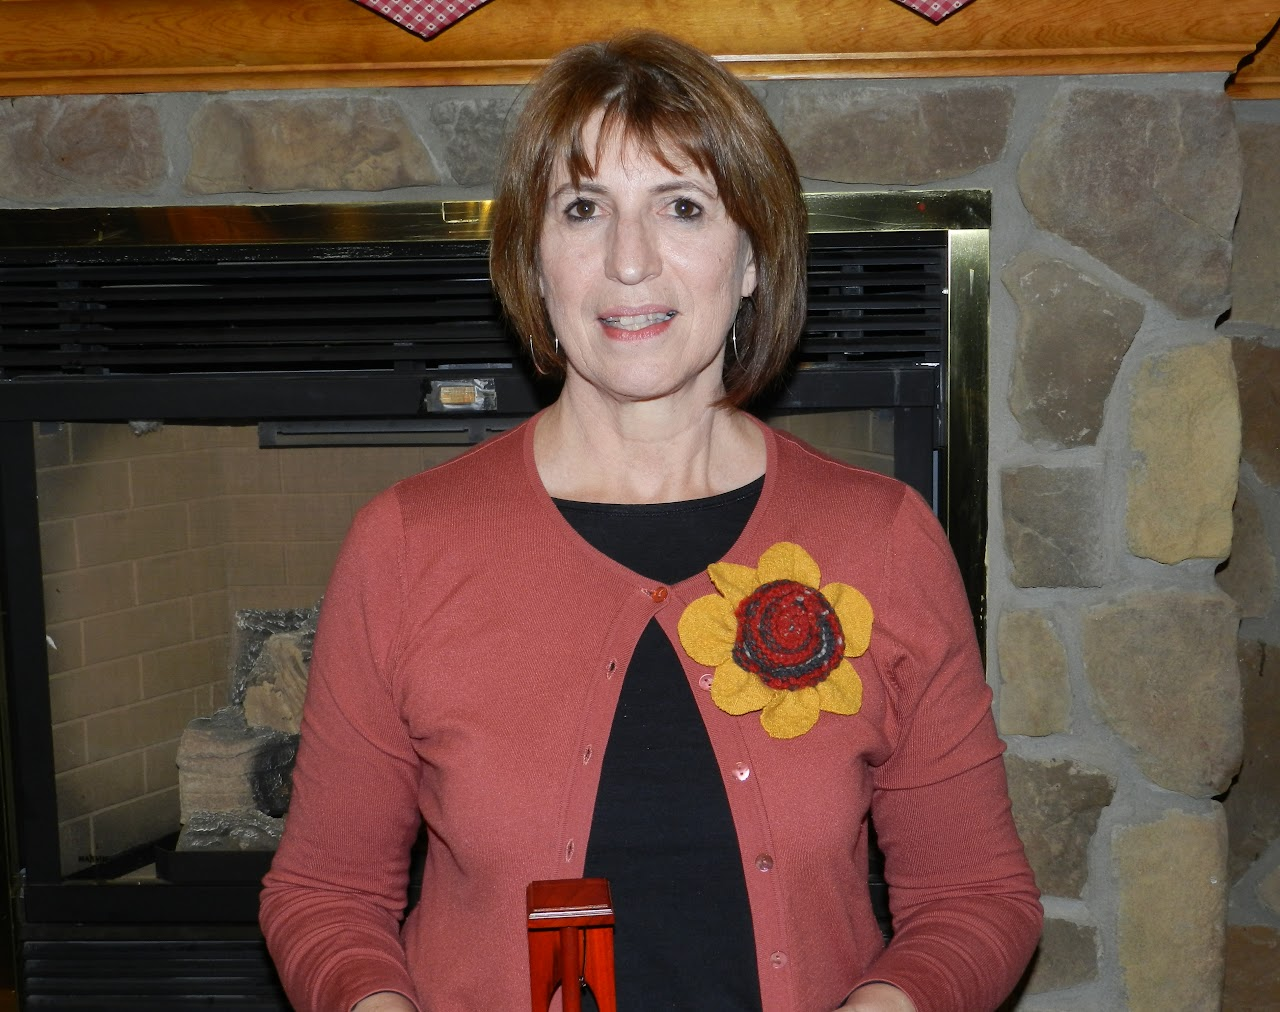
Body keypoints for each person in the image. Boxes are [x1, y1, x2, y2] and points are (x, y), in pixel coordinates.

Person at [259, 30, 1042, 1012]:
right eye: (582, 210)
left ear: (752, 257)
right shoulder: (407, 545)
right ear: (536, 264)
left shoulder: (880, 539)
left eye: (681, 206)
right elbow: (323, 892)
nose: (629, 262)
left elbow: (975, 895)